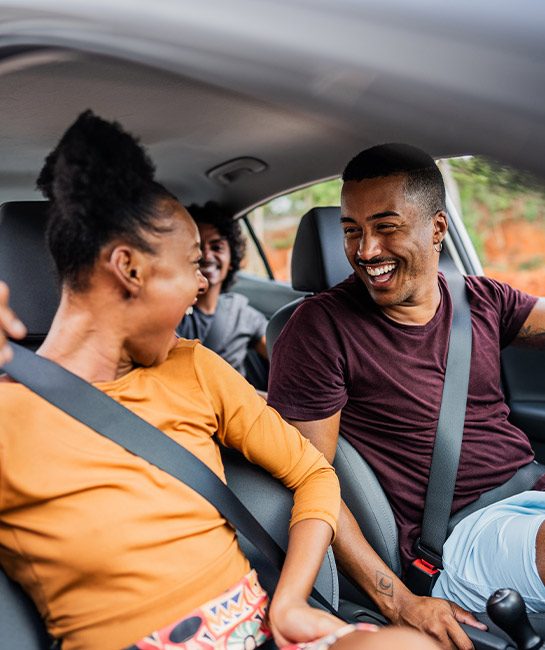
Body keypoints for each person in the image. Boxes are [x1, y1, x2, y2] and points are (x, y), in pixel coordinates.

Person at [0, 114, 440, 650]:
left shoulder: (195, 367)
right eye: (191, 264)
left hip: (260, 631)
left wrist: (292, 602)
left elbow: (314, 474)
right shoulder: (9, 414)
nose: (203, 283)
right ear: (129, 269)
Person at [267, 142, 545, 647]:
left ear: (438, 228)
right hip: (461, 541)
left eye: (386, 227)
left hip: (534, 496)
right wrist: (401, 600)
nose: (366, 250)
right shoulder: (319, 329)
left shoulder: (479, 298)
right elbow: (311, 482)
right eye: (352, 230)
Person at [176, 202, 268, 385]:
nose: (207, 255)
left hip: (238, 408)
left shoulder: (243, 314)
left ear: (232, 260)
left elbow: (285, 360)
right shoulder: (170, 312)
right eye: (198, 247)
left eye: (217, 248)